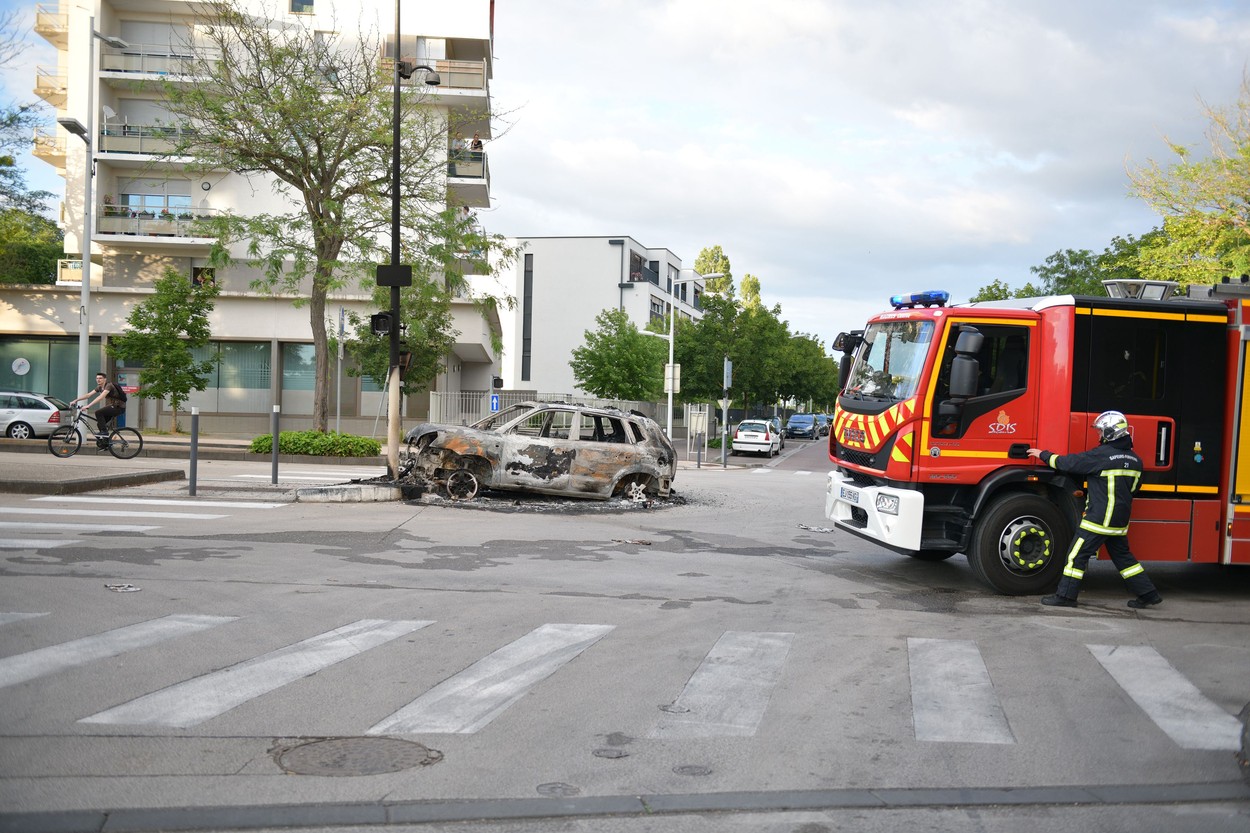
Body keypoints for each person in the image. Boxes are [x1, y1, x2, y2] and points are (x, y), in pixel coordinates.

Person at [1027, 410, 1163, 609]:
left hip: (1098, 519)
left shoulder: (1101, 455)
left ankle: (1065, 596)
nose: (1098, 434)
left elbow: (1068, 463)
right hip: (1119, 521)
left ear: (1110, 432)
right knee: (1124, 558)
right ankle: (1148, 594)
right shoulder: (1136, 461)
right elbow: (1134, 489)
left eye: (1100, 431)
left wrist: (1043, 455)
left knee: (1076, 555)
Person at [71, 372, 126, 442]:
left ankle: (104, 432)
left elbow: (101, 397)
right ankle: (106, 442)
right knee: (100, 424)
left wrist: (88, 405)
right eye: (97, 378)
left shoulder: (109, 386)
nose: (98, 380)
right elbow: (88, 395)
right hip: (113, 406)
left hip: (119, 407)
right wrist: (76, 400)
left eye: (100, 378)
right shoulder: (99, 387)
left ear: (105, 379)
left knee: (98, 412)